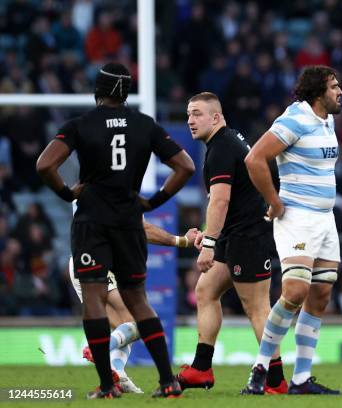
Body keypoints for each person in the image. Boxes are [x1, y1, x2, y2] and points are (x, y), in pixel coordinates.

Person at [36, 62, 195, 399]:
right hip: (128, 222)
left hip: (92, 222)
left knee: (93, 299)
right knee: (139, 301)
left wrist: (67, 193)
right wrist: (154, 201)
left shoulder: (80, 125)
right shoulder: (145, 125)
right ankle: (168, 381)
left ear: (98, 91)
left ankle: (108, 386)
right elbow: (186, 166)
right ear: (126, 92)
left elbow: (44, 165)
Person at [176, 92, 287, 394]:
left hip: (248, 236)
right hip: (235, 233)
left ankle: (276, 381)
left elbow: (222, 200)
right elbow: (223, 200)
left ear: (216, 117)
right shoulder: (228, 139)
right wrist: (208, 232)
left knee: (258, 309)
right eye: (188, 114)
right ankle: (201, 368)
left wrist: (209, 241)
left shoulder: (221, 147)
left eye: (197, 113)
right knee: (205, 290)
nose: (190, 120)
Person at [241, 65, 342, 395]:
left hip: (326, 220)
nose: (340, 91)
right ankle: (260, 368)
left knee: (321, 295)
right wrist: (275, 200)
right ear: (318, 93)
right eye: (334, 87)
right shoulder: (294, 119)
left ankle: (301, 378)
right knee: (296, 292)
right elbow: (255, 158)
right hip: (298, 217)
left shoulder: (328, 121)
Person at [74, 220, 198, 394]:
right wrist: (182, 241)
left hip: (80, 258)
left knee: (122, 328)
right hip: (101, 259)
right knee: (137, 322)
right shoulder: (115, 196)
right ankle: (98, 350)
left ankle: (118, 373)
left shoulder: (83, 194)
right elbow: (143, 228)